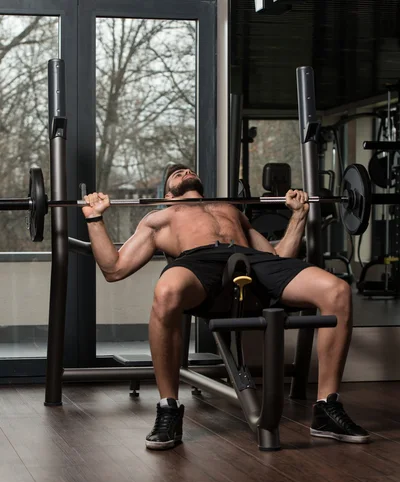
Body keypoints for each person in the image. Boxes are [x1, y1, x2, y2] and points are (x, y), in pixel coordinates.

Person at [83, 164, 369, 450]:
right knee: (166, 291)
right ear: (168, 196)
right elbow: (114, 269)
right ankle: (168, 408)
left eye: (189, 171)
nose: (186, 173)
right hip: (198, 263)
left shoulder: (232, 211)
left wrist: (298, 216)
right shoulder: (159, 218)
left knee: (338, 291)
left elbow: (278, 255)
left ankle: (326, 408)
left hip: (252, 261)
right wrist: (94, 218)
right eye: (177, 175)